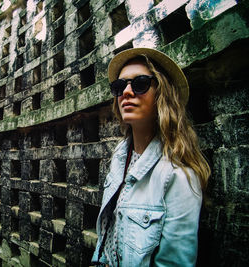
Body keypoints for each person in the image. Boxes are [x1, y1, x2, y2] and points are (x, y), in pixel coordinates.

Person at [91, 48, 211, 266]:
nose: (126, 92)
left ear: (162, 94)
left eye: (140, 84)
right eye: (119, 86)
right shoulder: (119, 157)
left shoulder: (178, 176)